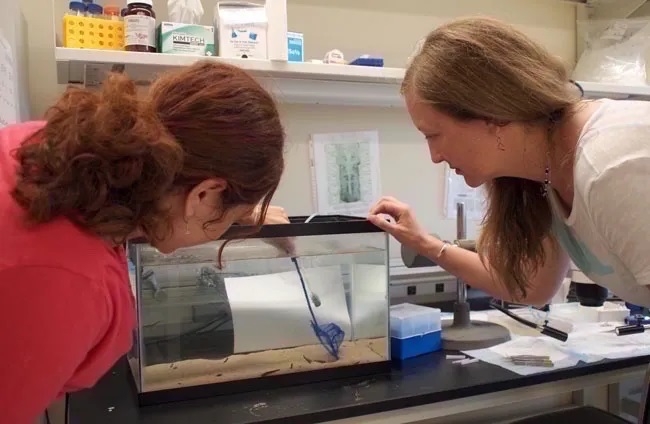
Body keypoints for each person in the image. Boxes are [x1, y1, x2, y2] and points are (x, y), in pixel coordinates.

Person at [0, 60, 290, 423]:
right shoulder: (67, 285)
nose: (224, 228)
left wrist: (228, 213)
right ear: (203, 194)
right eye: (228, 217)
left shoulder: (50, 147)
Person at [368, 16, 650, 309]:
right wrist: (424, 243)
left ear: (492, 115)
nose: (435, 156)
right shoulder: (544, 172)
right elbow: (530, 286)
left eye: (433, 135)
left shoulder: (610, 167)